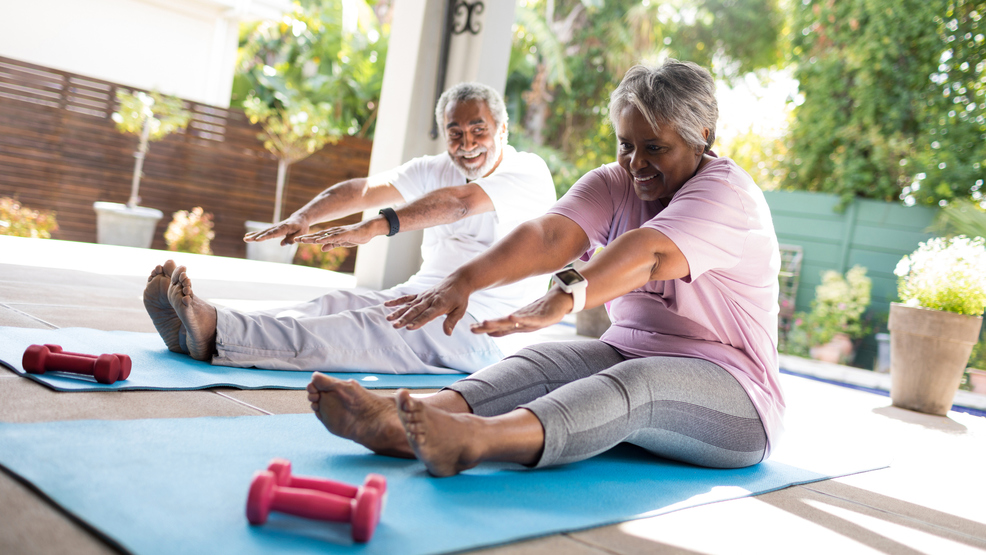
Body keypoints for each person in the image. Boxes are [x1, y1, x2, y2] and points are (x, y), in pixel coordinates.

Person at [306, 59, 785, 477]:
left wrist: (562, 296)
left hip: (736, 398)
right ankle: (401, 421)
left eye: (654, 148)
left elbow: (649, 253)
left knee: (635, 385)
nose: (635, 162)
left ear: (702, 137)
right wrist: (462, 282)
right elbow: (549, 236)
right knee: (543, 361)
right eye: (625, 145)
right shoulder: (617, 182)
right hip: (631, 352)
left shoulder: (727, 194)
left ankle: (472, 442)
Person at [142, 82, 556, 374]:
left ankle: (218, 332)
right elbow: (364, 189)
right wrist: (304, 216)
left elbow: (460, 204)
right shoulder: (436, 167)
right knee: (335, 305)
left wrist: (379, 226)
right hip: (421, 295)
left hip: (485, 328)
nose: (467, 144)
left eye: (479, 130)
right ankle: (198, 331)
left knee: (362, 328)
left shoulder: (528, 172)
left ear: (502, 130)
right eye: (456, 132)